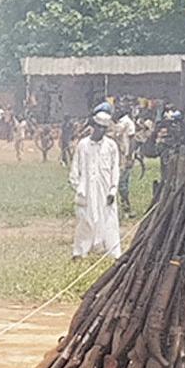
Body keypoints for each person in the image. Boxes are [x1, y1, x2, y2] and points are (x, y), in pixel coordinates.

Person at [70, 111, 122, 260]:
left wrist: (113, 190)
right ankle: (80, 252)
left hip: (105, 189)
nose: (101, 130)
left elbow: (115, 169)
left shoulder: (111, 146)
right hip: (86, 189)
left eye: (104, 128)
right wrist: (78, 187)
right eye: (99, 126)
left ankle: (113, 252)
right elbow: (75, 168)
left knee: (109, 219)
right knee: (84, 220)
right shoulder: (83, 145)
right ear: (93, 126)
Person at [111, 107, 138, 217]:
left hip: (125, 157)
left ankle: (126, 208)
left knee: (122, 183)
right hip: (118, 157)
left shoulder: (127, 123)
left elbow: (132, 140)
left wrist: (130, 157)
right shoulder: (118, 123)